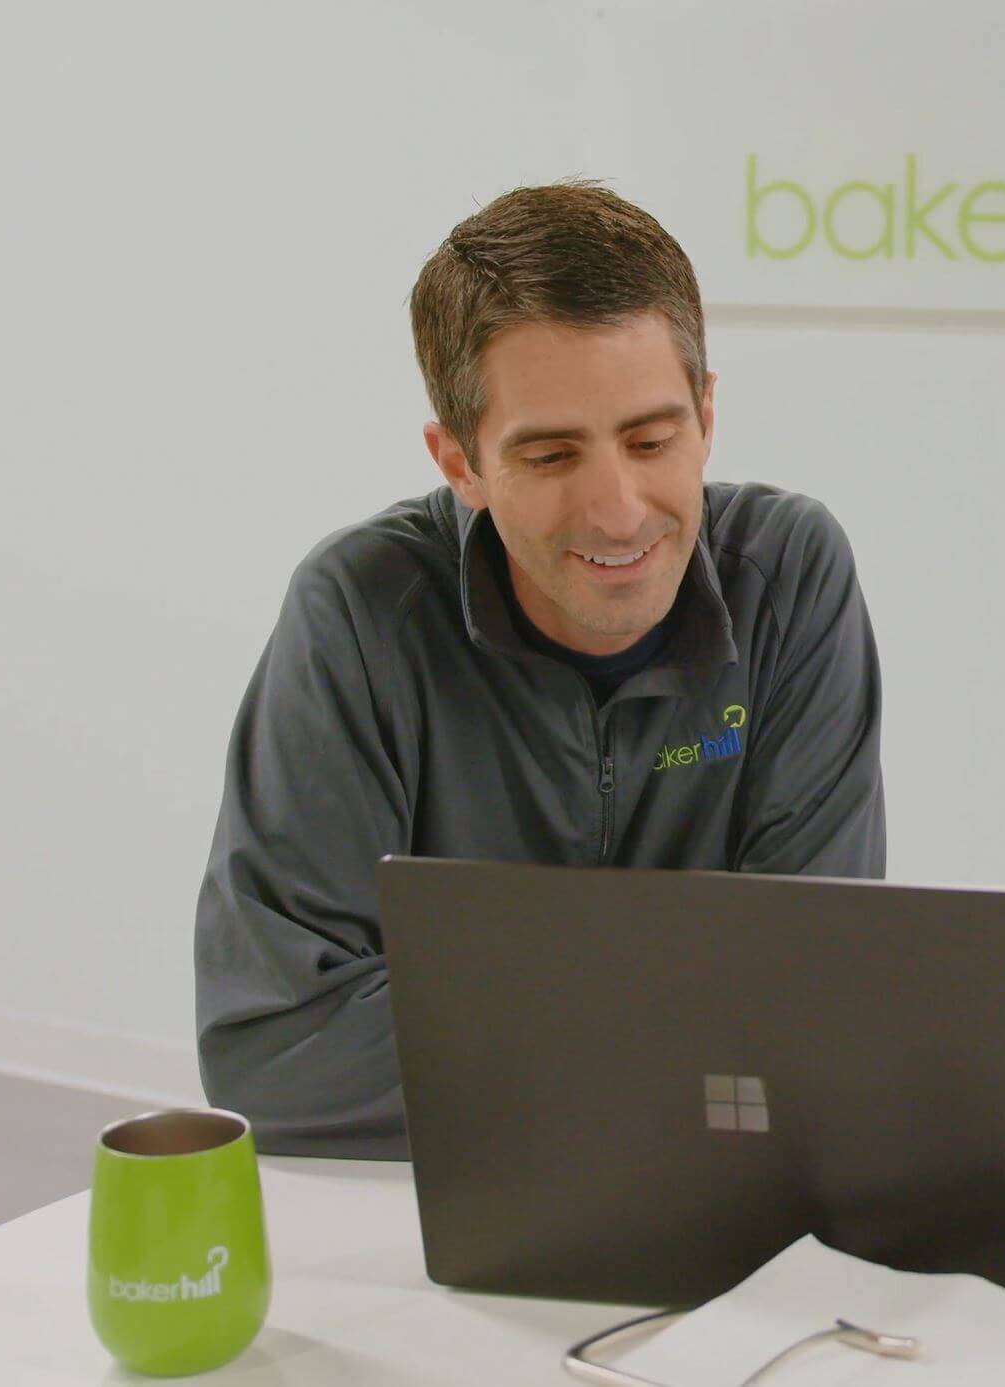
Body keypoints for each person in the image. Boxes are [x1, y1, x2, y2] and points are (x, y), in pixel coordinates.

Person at [196, 182, 884, 1157]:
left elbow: (821, 1010)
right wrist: (687, 1013)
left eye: (653, 440)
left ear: (708, 412)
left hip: (722, 1203)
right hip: (427, 1225)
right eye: (554, 455)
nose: (618, 509)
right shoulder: (358, 612)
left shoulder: (792, 577)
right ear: (460, 461)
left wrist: (486, 1024)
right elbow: (274, 1048)